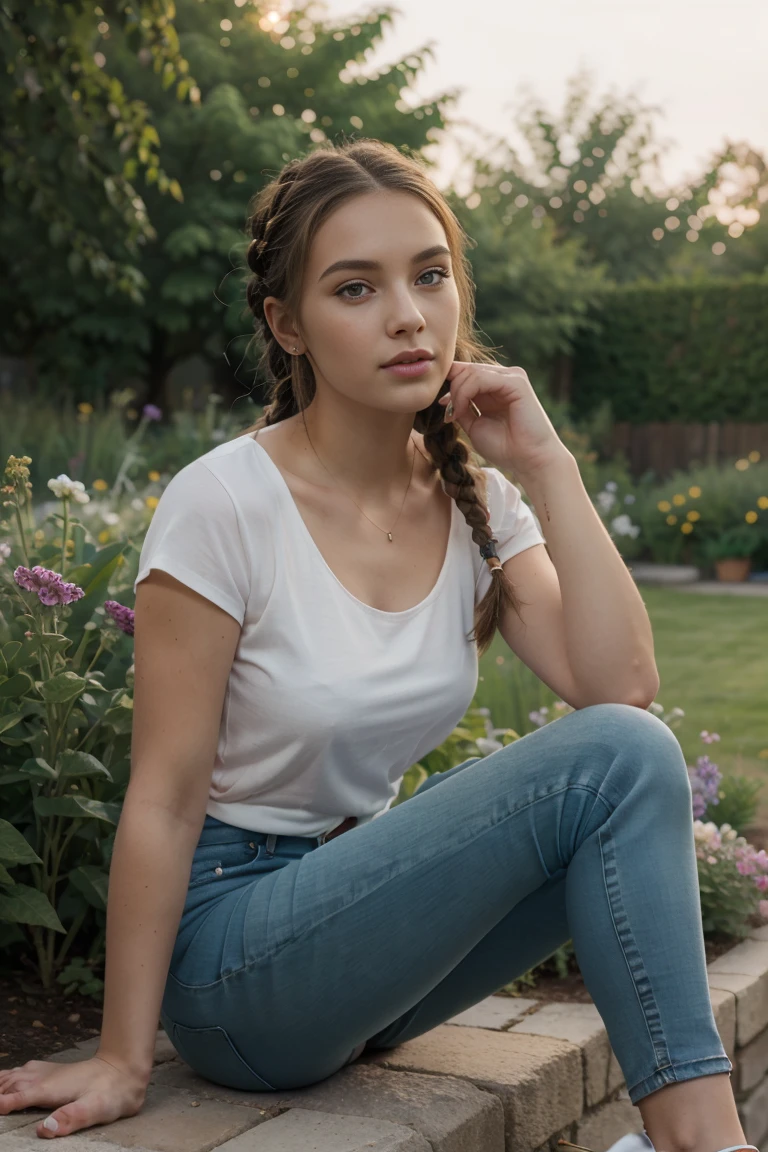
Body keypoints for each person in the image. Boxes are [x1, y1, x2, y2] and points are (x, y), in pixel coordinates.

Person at [0, 139, 756, 1152]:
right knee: (620, 761)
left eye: (429, 274)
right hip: (237, 969)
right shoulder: (225, 504)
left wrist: (547, 460)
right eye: (356, 288)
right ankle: (705, 1146)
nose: (408, 314)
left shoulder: (473, 497)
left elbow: (620, 684)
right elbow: (165, 795)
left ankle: (688, 1141)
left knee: (627, 759)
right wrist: (122, 1055)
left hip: (367, 949)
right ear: (287, 325)